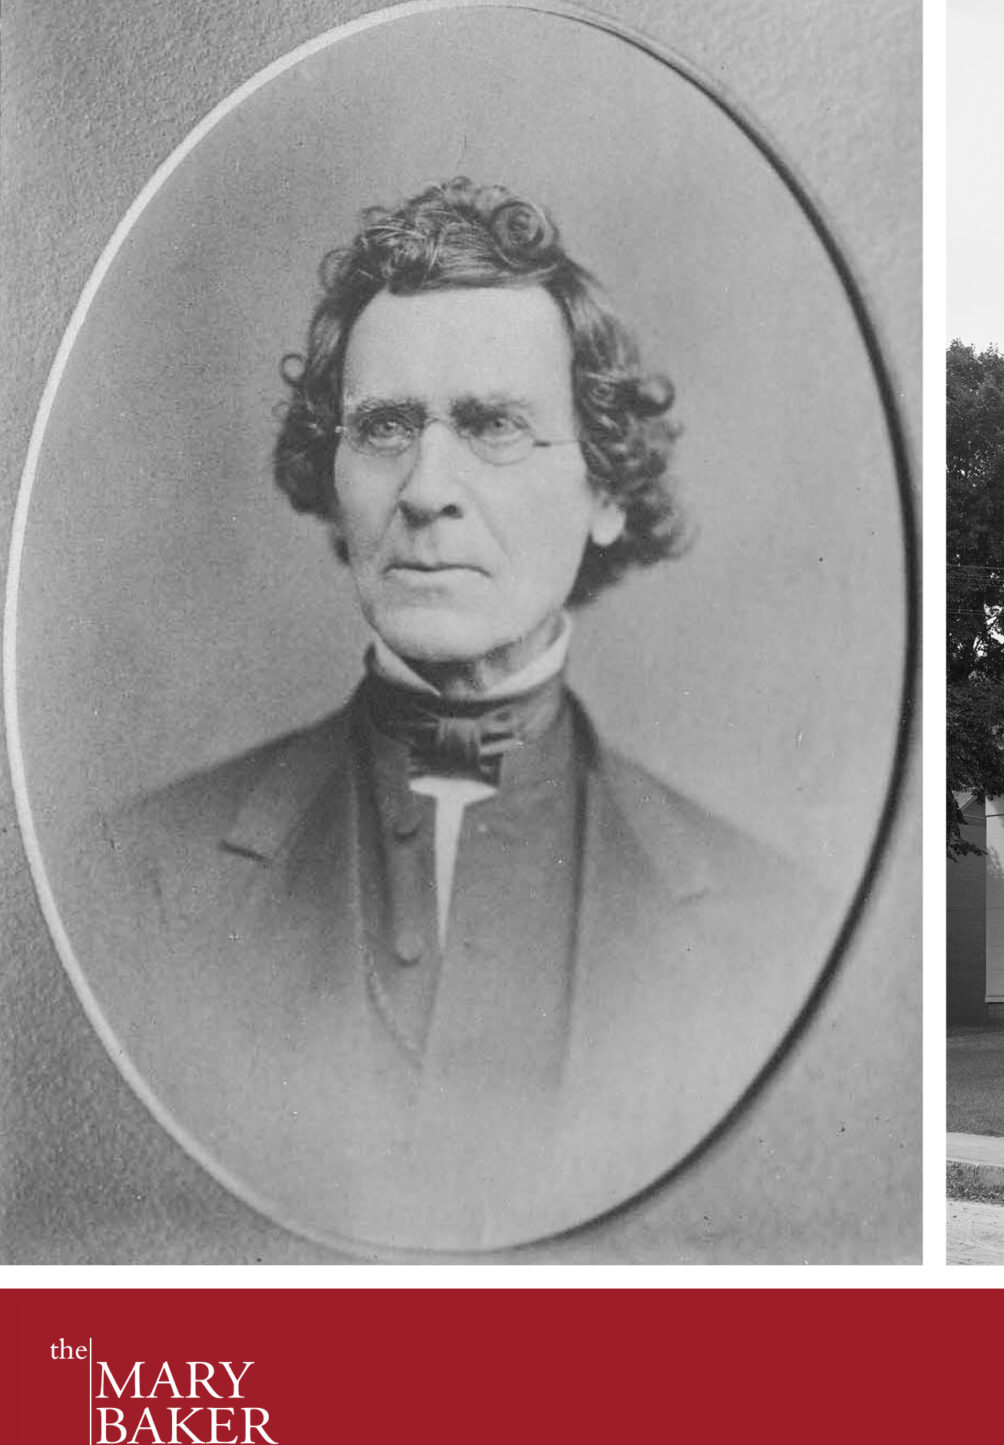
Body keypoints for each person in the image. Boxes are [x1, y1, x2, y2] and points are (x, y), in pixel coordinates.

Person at [71, 179, 834, 1253]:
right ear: (333, 479)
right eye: (385, 427)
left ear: (606, 488)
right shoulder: (138, 878)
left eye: (494, 426)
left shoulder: (765, 925)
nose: (427, 487)